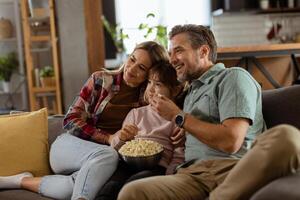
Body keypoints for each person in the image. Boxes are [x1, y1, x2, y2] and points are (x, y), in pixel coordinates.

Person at [117, 25, 300, 200]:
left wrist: (178, 117)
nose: (172, 59)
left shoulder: (233, 77)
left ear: (203, 51)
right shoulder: (188, 94)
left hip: (233, 169)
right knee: (133, 192)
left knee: (287, 136)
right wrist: (186, 132)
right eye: (171, 52)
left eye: (179, 50)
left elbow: (231, 141)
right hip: (191, 175)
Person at [0, 41, 170, 200]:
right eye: (132, 59)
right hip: (69, 147)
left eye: (141, 67)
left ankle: (20, 181)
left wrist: (179, 125)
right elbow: (70, 120)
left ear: (150, 74)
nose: (131, 69)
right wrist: (108, 138)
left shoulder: (146, 98)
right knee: (108, 153)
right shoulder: (100, 80)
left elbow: (174, 92)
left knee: (75, 186)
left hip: (102, 161)